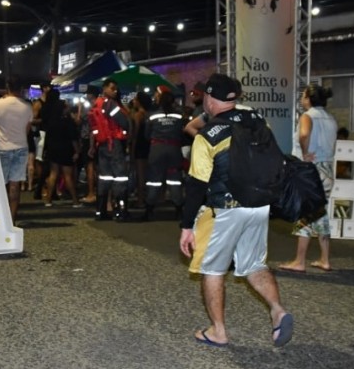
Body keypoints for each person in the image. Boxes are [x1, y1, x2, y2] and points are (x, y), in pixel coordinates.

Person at [179, 73, 294, 349]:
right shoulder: (258, 123)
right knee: (254, 265)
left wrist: (186, 227)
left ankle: (218, 331)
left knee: (213, 269)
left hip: (227, 209)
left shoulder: (207, 137)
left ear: (208, 98)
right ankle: (278, 311)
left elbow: (196, 186)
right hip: (258, 206)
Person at [279, 84, 338, 273]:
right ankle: (324, 259)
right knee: (319, 212)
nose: (301, 99)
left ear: (310, 99)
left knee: (305, 213)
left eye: (303, 96)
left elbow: (304, 134)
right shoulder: (331, 118)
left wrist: (305, 153)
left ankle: (300, 261)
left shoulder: (308, 116)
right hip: (327, 169)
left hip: (311, 171)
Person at [0, 74, 34, 222]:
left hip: (2, 146)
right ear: (21, 89)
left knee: (0, 184)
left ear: (7, 87)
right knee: (15, 185)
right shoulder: (28, 106)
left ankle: (0, 219)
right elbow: (27, 130)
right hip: (21, 146)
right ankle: (12, 219)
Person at [90, 78, 131, 221]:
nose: (115, 91)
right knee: (120, 178)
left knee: (104, 178)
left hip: (101, 145)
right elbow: (124, 122)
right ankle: (121, 211)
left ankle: (100, 211)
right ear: (105, 88)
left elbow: (93, 127)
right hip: (114, 144)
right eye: (112, 88)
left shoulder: (97, 104)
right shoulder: (111, 105)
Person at [142, 85, 185, 221]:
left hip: (157, 149)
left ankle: (149, 209)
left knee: (154, 180)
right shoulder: (179, 115)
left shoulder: (152, 115)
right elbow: (181, 132)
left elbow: (146, 135)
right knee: (175, 181)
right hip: (174, 150)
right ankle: (179, 209)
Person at [40, 89, 81, 207]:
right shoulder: (68, 121)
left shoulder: (52, 122)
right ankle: (75, 200)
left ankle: (48, 200)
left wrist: (46, 150)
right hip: (65, 149)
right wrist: (77, 151)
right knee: (68, 176)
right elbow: (73, 137)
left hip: (53, 149)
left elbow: (48, 137)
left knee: (53, 174)